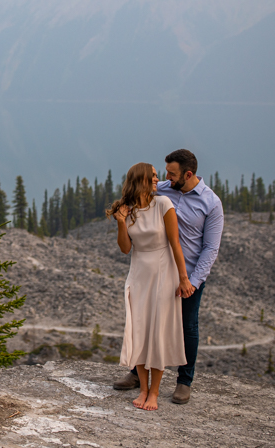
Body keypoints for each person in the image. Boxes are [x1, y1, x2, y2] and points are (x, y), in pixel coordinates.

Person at [113, 149, 224, 405]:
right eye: (163, 173)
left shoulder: (211, 203)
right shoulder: (163, 188)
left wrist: (192, 281)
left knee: (188, 326)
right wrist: (122, 212)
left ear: (188, 174)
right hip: (155, 269)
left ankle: (184, 382)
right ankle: (137, 375)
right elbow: (138, 190)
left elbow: (211, 248)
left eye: (171, 174)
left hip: (189, 272)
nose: (164, 178)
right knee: (149, 321)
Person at [107, 162, 194, 411]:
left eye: (157, 176)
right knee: (141, 331)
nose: (158, 179)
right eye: (153, 176)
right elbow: (125, 248)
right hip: (139, 274)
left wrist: (183, 278)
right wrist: (122, 222)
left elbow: (175, 244)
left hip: (162, 272)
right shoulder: (127, 209)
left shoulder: (164, 205)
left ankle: (154, 392)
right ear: (141, 179)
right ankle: (143, 389)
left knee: (157, 332)